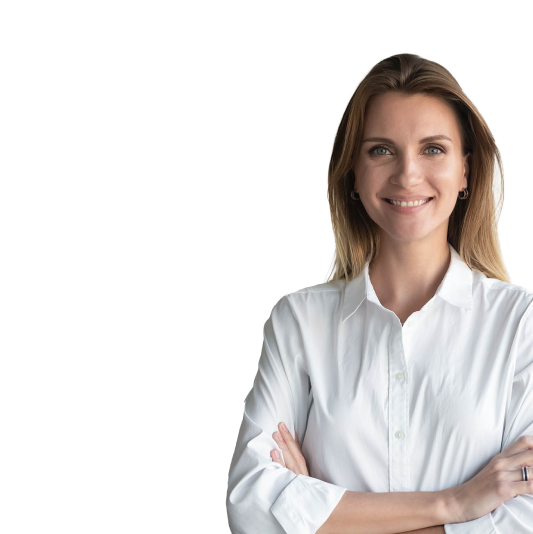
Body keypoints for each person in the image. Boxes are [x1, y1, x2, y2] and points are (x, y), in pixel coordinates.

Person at [226, 53, 532, 534]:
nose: (407, 175)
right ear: (352, 172)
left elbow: (525, 519)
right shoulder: (299, 322)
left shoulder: (521, 323)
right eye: (381, 150)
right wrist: (454, 505)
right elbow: (250, 504)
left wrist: (320, 518)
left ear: (467, 171)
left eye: (433, 149)